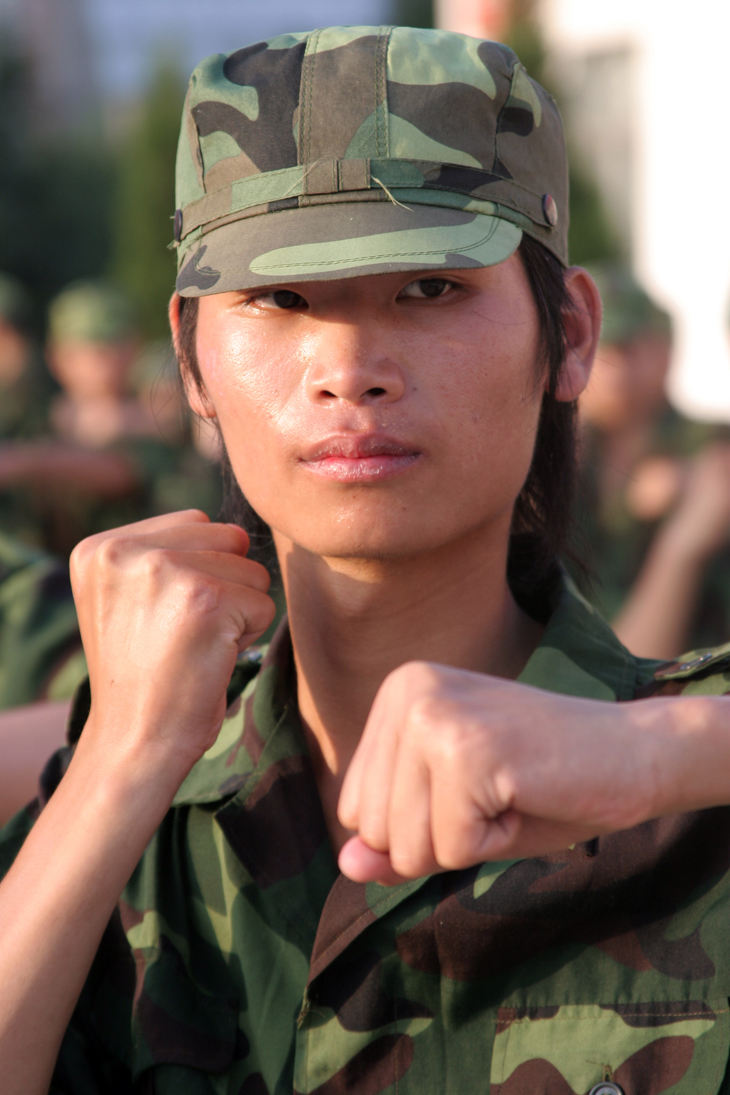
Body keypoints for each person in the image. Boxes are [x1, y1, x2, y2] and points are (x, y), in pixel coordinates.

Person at [3, 26, 730, 1095]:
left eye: (430, 288)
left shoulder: (687, 782)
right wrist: (114, 768)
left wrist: (661, 757)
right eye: (278, 299)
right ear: (191, 360)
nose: (348, 368)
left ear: (569, 335)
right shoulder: (132, 822)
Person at [0, 281, 223, 557]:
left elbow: (124, 473)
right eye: (85, 348)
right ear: (56, 356)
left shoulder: (160, 418)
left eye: (112, 345)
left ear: (134, 346)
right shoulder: (34, 417)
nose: (100, 361)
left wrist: (25, 461)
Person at [579, 265, 730, 658]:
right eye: (596, 349)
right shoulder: (560, 458)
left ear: (664, 352)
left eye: (628, 347)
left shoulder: (710, 444)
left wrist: (690, 485)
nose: (612, 365)